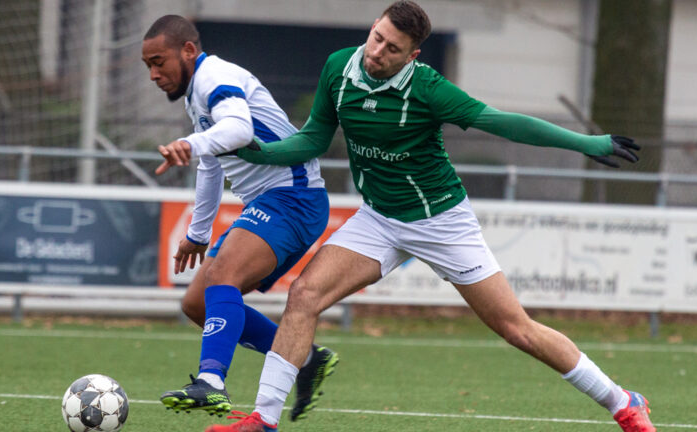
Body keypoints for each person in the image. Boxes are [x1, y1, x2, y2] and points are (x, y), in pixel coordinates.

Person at [176, 2, 657, 431]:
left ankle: (624, 402)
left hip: (441, 222)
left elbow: (504, 123)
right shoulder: (338, 67)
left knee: (517, 330)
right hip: (379, 218)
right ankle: (264, 419)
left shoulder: (429, 90)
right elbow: (314, 140)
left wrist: (586, 143)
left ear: (412, 57)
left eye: (391, 48)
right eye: (377, 37)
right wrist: (262, 153)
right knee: (304, 294)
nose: (377, 51)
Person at [140, 15, 339, 420]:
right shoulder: (196, 95)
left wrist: (189, 143)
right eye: (148, 66)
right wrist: (197, 233)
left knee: (222, 277)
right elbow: (211, 163)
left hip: (293, 197)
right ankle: (305, 360)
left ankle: (211, 381)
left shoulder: (215, 77)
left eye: (159, 62)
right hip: (268, 203)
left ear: (189, 51)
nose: (153, 74)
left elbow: (237, 130)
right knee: (197, 303)